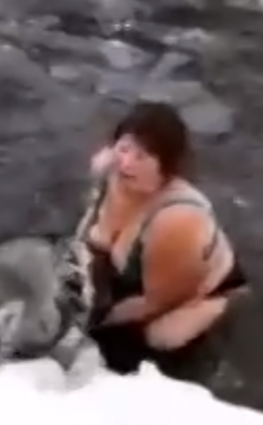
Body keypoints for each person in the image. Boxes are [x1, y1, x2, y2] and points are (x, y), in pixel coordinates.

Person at [84, 100, 248, 379]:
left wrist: (94, 324)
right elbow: (94, 232)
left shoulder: (177, 220)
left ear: (166, 166)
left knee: (154, 338)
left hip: (195, 293)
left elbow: (158, 301)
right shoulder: (116, 173)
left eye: (142, 156)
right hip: (138, 266)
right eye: (124, 149)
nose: (126, 163)